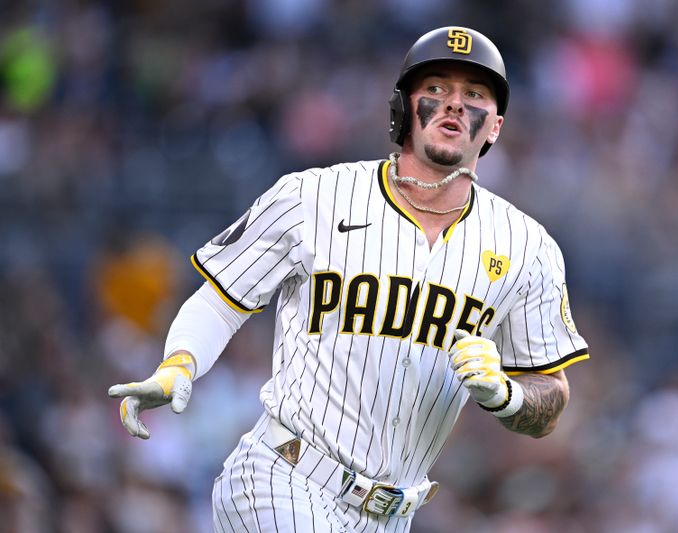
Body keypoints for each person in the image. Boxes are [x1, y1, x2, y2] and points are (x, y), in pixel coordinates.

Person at [109, 26, 590, 532]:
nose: (453, 105)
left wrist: (505, 395)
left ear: (494, 126)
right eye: (436, 89)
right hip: (283, 477)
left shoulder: (527, 247)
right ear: (401, 108)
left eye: (473, 94)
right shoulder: (313, 196)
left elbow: (550, 396)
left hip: (393, 515)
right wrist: (179, 363)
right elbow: (222, 300)